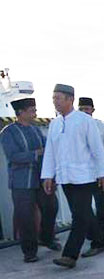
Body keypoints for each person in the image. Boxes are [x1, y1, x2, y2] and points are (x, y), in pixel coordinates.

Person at [42, 84, 104, 268]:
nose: (55, 101)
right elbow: (50, 153)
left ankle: (70, 256)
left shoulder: (84, 121)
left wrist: (103, 173)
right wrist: (48, 176)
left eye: (58, 98)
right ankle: (99, 241)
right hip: (65, 178)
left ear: (70, 99)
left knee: (79, 217)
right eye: (53, 98)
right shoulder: (55, 124)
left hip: (84, 176)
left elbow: (96, 148)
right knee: (84, 213)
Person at [0, 98, 60, 263]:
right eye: (32, 110)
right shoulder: (8, 132)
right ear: (21, 112)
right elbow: (13, 156)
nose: (35, 113)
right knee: (25, 216)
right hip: (21, 182)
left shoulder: (36, 130)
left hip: (40, 179)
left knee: (51, 207)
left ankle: (47, 238)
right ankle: (29, 251)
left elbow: (48, 149)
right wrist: (36, 153)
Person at [78, 97, 104, 237]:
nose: (84, 112)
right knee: (83, 206)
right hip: (83, 172)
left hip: (99, 172)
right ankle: (90, 233)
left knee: (101, 204)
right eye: (81, 109)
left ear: (93, 110)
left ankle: (102, 232)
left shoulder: (101, 126)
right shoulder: (76, 127)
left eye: (87, 109)